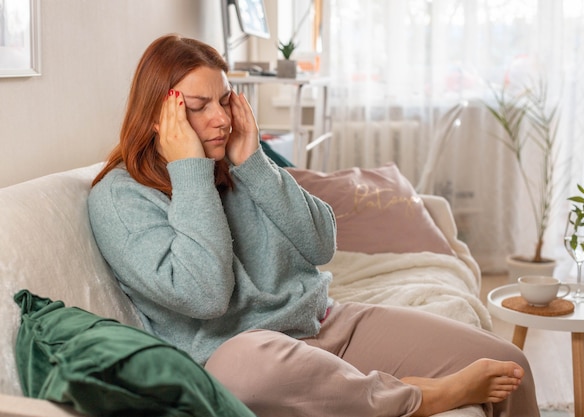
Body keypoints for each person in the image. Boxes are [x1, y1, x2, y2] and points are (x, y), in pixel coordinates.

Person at [88, 33, 540, 417]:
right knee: (240, 370)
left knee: (508, 361)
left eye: (225, 100)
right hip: (243, 355)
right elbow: (204, 294)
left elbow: (322, 244)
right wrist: (190, 173)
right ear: (157, 117)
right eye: (199, 106)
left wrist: (254, 163)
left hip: (325, 324)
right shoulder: (119, 198)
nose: (221, 119)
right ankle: (416, 399)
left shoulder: (238, 163)